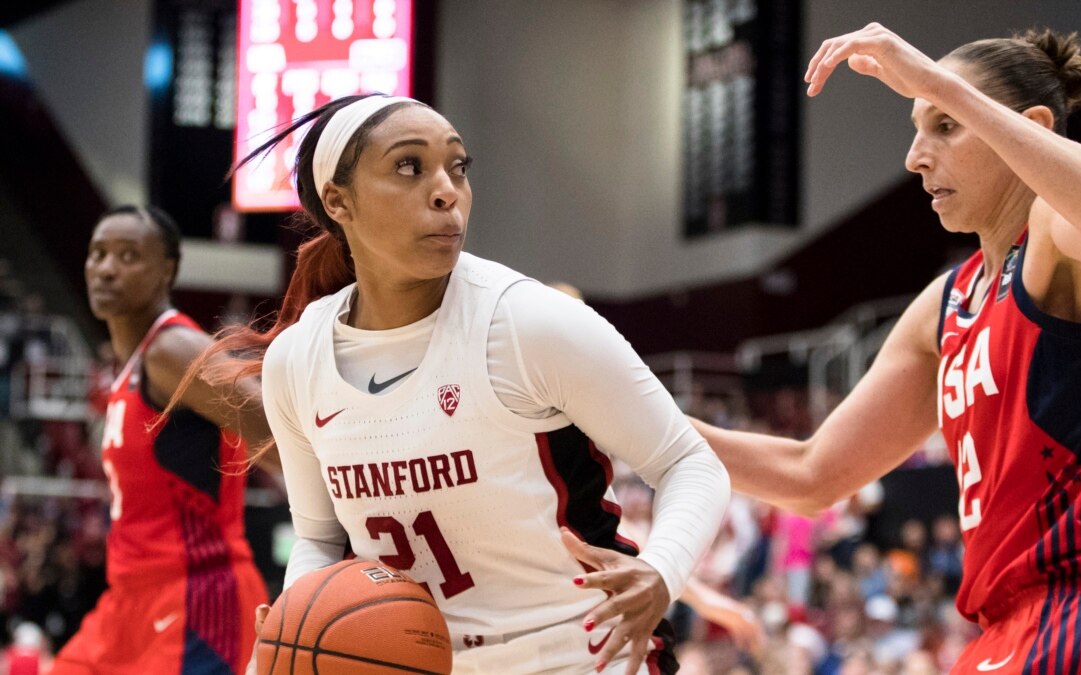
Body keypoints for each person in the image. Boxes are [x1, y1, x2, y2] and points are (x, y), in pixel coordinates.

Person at [693, 23, 1081, 672]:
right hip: (1006, 626)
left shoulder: (1053, 239)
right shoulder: (944, 303)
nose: (915, 156)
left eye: (944, 125)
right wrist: (623, 418)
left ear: (1032, 127)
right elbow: (811, 473)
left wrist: (933, 78)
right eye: (919, 126)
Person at [183, 94, 731, 674]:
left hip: (582, 656)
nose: (447, 190)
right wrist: (299, 618)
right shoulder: (297, 359)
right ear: (338, 201)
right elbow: (320, 538)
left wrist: (661, 570)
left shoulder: (525, 322)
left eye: (458, 167)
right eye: (409, 166)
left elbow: (691, 464)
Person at [51, 205, 274, 675]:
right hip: (129, 601)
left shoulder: (173, 351)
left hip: (197, 598)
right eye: (99, 254)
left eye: (129, 255)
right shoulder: (131, 365)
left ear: (167, 270)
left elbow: (278, 430)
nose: (107, 267)